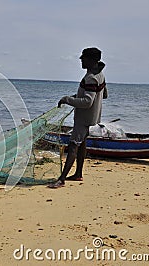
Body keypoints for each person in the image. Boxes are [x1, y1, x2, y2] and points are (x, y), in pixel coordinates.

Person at [48, 47, 108, 189]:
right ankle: (78, 173)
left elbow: (87, 102)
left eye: (84, 57)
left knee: (74, 145)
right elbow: (103, 95)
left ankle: (62, 179)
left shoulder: (91, 78)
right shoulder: (100, 74)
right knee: (82, 143)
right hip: (93, 117)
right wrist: (77, 97)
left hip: (84, 118)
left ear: (92, 60)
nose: (81, 59)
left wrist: (68, 99)